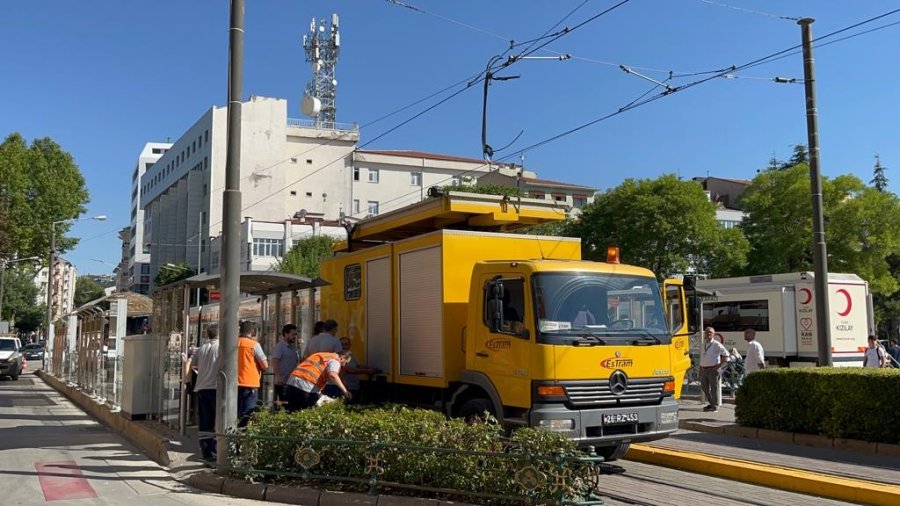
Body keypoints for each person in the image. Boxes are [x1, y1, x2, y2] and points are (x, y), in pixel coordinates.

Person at [182, 323, 220, 461]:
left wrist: (187, 383)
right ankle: (217, 451)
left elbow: (188, 364)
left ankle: (206, 453)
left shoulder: (202, 348)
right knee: (220, 421)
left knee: (205, 422)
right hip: (216, 389)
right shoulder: (222, 346)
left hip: (201, 389)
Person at [284, 351, 353, 411]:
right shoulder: (335, 361)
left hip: (292, 381)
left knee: (292, 411)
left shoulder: (321, 354)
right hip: (307, 385)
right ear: (342, 358)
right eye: (346, 363)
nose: (344, 366)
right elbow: (333, 375)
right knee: (307, 413)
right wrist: (345, 391)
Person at [237, 320, 268, 426]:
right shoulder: (254, 345)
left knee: (235, 413)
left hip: (234, 384)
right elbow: (265, 365)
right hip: (249, 383)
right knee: (247, 414)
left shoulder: (233, 343)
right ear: (251, 332)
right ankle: (241, 438)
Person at [338, 337, 380, 403]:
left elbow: (358, 365)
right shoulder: (339, 356)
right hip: (346, 388)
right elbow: (348, 370)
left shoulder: (351, 355)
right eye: (342, 344)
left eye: (346, 344)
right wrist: (367, 371)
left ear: (350, 345)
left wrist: (370, 368)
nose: (344, 346)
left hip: (355, 386)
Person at [699, 326, 729, 412]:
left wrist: (718, 366)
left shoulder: (716, 344)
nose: (708, 334)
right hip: (704, 369)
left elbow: (726, 355)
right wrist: (700, 369)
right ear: (704, 333)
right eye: (707, 332)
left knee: (713, 388)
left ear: (713, 334)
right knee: (704, 388)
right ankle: (712, 404)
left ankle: (714, 406)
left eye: (710, 332)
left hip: (713, 369)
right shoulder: (703, 344)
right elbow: (702, 357)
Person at [271, 324, 300, 406]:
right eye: (293, 334)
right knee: (284, 405)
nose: (295, 336)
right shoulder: (280, 346)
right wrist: (278, 376)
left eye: (296, 334)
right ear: (286, 334)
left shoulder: (292, 347)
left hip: (292, 381)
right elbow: (275, 361)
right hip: (283, 381)